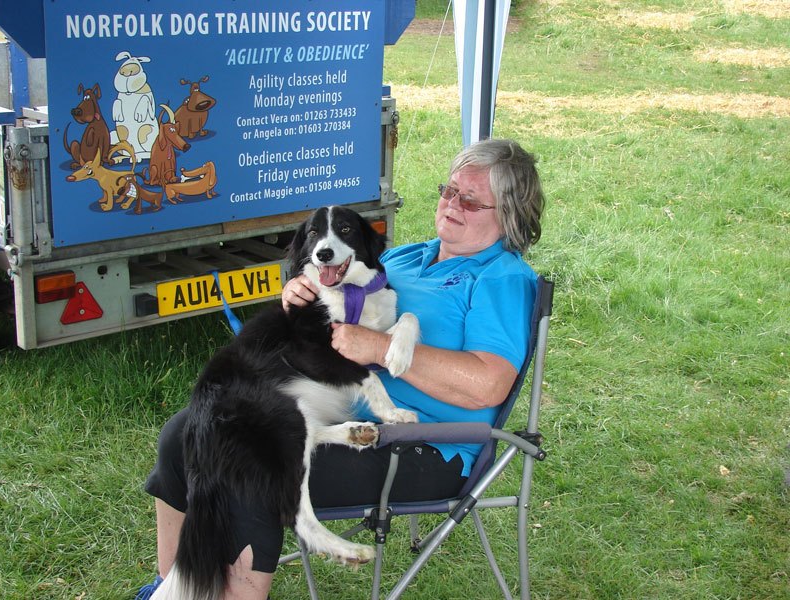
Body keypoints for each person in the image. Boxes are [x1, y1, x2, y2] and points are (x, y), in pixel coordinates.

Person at [137, 138, 545, 599]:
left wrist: (378, 346)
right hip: (341, 414)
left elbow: (488, 385)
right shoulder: (407, 255)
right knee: (183, 434)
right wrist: (302, 295)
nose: (452, 205)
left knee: (246, 465)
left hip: (419, 447)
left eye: (470, 200)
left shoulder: (501, 278)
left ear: (508, 213)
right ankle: (175, 585)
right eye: (448, 191)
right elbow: (335, 308)